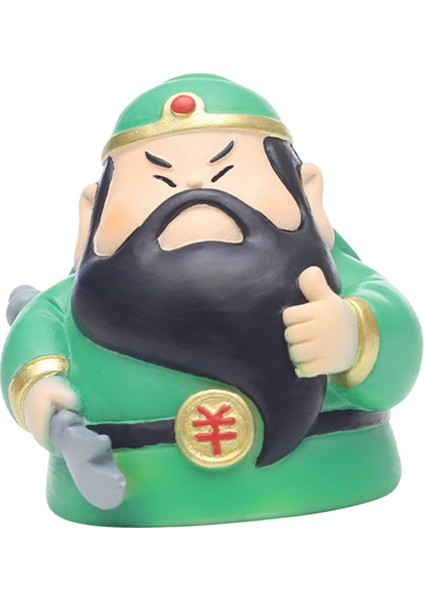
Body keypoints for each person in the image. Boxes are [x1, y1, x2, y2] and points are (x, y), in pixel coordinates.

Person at [1, 74, 421, 526]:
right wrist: (39, 391)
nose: (193, 186)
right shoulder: (65, 307)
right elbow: (34, 342)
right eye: (159, 178)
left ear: (307, 193)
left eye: (227, 171)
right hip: (136, 499)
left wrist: (354, 334)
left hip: (335, 478)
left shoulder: (331, 281)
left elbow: (397, 333)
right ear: (92, 214)